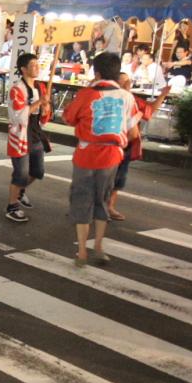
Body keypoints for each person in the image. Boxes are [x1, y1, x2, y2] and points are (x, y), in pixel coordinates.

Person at [63, 52, 137, 267]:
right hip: (112, 156)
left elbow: (68, 118)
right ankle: (99, 246)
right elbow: (133, 132)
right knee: (102, 200)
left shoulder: (87, 94)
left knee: (82, 200)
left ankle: (82, 252)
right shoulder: (127, 97)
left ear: (96, 72)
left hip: (86, 155)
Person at [109, 74, 170, 221]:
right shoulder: (107, 98)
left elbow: (150, 109)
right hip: (110, 144)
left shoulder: (133, 100)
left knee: (118, 179)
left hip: (126, 144)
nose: (127, 83)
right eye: (123, 81)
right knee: (103, 177)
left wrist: (163, 95)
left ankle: (109, 207)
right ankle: (91, 206)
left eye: (128, 80)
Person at [5, 53, 51, 223]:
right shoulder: (17, 89)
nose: (37, 67)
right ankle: (12, 206)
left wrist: (45, 108)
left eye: (37, 64)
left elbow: (44, 115)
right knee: (21, 173)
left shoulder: (40, 88)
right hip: (20, 135)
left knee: (37, 171)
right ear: (23, 69)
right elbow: (18, 115)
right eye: (33, 65)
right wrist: (39, 103)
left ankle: (21, 191)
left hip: (35, 132)